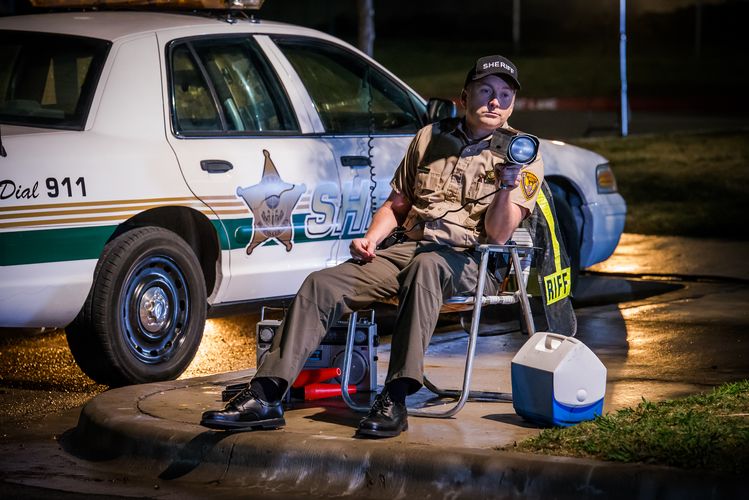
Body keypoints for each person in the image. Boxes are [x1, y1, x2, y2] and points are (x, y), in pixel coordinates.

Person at [200, 54, 544, 438]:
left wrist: (507, 186)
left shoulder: (521, 153)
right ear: (463, 97)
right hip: (409, 250)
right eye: (486, 91)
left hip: (470, 261)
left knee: (426, 267)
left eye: (504, 94)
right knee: (323, 284)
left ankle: (395, 398)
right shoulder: (430, 138)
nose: (495, 102)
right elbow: (397, 205)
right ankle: (265, 396)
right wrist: (372, 238)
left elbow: (498, 235)